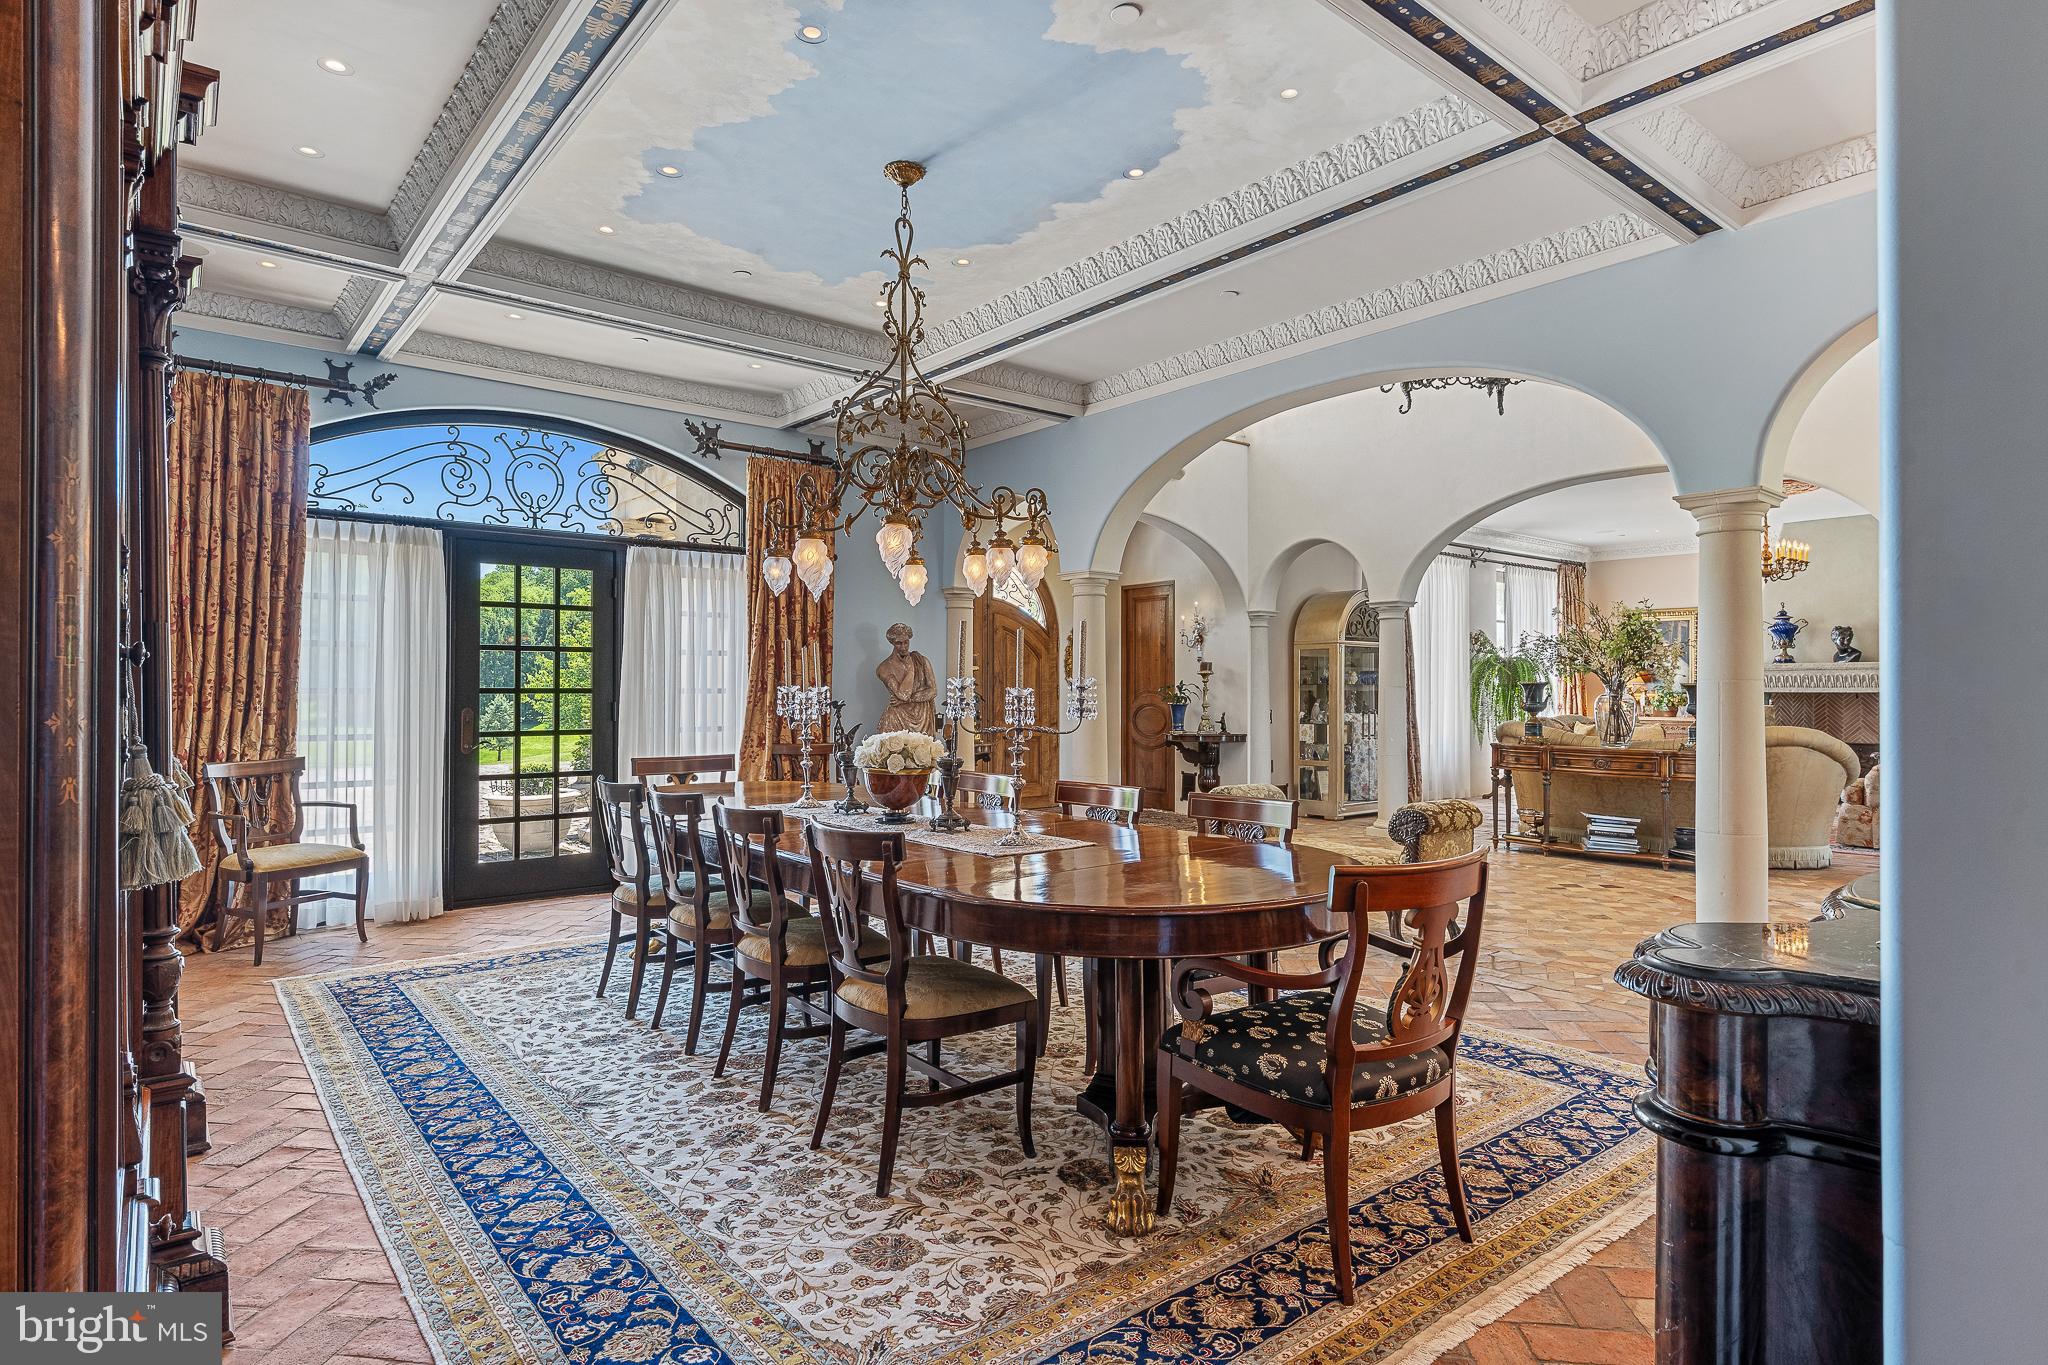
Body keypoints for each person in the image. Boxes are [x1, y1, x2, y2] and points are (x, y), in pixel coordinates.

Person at [875, 622, 938, 735]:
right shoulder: (884, 668)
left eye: (906, 642)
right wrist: (910, 668)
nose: (903, 647)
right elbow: (903, 695)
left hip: (922, 715)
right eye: (899, 643)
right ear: (892, 643)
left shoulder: (922, 661)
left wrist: (908, 700)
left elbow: (933, 691)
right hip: (897, 717)